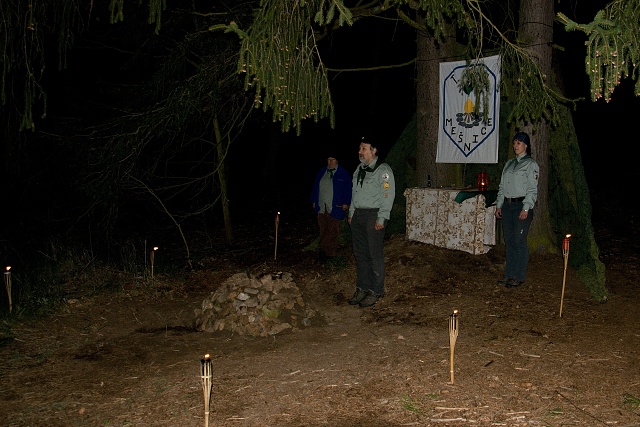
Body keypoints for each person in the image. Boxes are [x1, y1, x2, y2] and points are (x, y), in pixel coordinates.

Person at [347, 137, 395, 308]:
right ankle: (362, 288)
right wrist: (351, 212)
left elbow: (387, 195)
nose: (360, 152)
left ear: (374, 151)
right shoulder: (359, 169)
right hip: (358, 215)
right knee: (360, 254)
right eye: (360, 148)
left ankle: (376, 290)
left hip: (373, 215)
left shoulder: (383, 170)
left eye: (364, 149)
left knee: (374, 255)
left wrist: (382, 217)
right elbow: (354, 192)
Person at [495, 131, 539, 288]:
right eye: (514, 143)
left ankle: (519, 276)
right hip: (507, 206)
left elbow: (532, 189)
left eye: (519, 143)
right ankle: (509, 274)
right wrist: (499, 204)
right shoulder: (509, 164)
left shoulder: (530, 164)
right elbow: (502, 186)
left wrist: (526, 208)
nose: (515, 146)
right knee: (509, 240)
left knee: (519, 240)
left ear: (526, 145)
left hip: (521, 205)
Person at [311, 153, 352, 264]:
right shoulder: (322, 172)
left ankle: (329, 254)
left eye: (333, 160)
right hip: (322, 206)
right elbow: (315, 187)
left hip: (336, 207)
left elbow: (348, 189)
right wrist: (314, 200)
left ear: (337, 161)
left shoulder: (343, 173)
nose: (330, 162)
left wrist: (346, 202)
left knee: (332, 231)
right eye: (329, 160)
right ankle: (324, 252)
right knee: (323, 229)